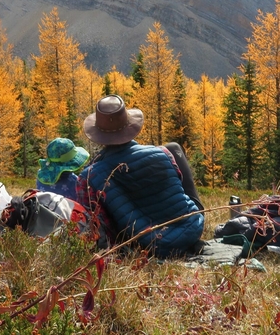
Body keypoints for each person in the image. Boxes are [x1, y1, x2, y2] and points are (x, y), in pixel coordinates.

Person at [78, 95, 204, 257]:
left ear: (98, 134)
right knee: (174, 148)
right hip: (193, 228)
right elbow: (178, 187)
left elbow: (98, 227)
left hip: (149, 247)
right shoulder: (164, 153)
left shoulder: (88, 177)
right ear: (130, 126)